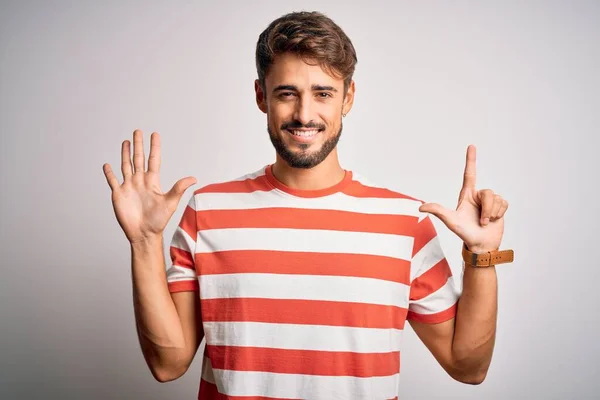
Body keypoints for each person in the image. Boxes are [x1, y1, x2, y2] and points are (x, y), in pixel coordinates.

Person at [102, 11, 512, 399]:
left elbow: (468, 366)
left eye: (323, 93)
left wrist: (482, 255)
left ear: (347, 98)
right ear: (261, 96)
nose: (304, 114)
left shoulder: (405, 223)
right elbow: (168, 364)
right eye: (286, 93)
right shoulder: (207, 211)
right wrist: (144, 241)